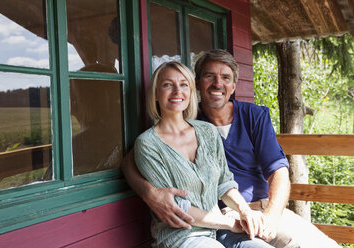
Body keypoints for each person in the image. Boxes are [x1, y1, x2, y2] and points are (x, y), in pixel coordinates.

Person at [122, 50, 339, 248]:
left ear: (234, 86)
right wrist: (148, 192)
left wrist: (269, 217)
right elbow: (131, 159)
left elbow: (277, 171)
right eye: (209, 76)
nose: (218, 84)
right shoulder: (180, 124)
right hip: (218, 216)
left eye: (225, 78)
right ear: (197, 83)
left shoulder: (248, 117)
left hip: (262, 208)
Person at [133, 61, 273, 248]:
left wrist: (245, 211)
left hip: (218, 231)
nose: (177, 91)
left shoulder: (207, 131)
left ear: (191, 92)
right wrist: (231, 223)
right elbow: (176, 207)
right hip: (182, 236)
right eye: (168, 85)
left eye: (183, 85)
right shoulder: (148, 144)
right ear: (156, 94)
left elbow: (224, 183)